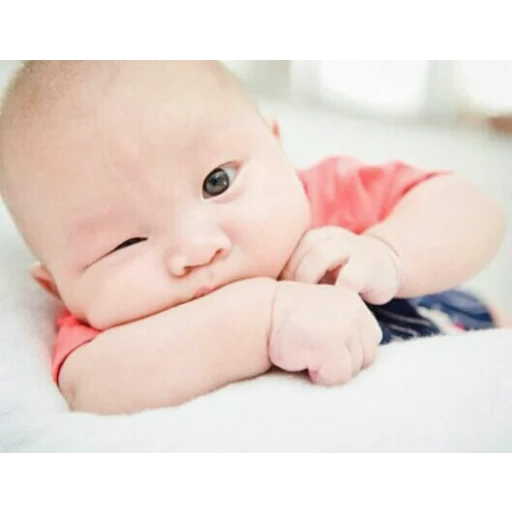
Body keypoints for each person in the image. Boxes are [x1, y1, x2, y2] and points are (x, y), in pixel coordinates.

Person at [0, 59, 508, 415]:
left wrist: (390, 252)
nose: (196, 248)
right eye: (124, 244)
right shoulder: (112, 336)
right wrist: (265, 319)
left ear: (277, 148)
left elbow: (471, 208)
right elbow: (93, 387)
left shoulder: (325, 196)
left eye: (217, 182)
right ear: (57, 287)